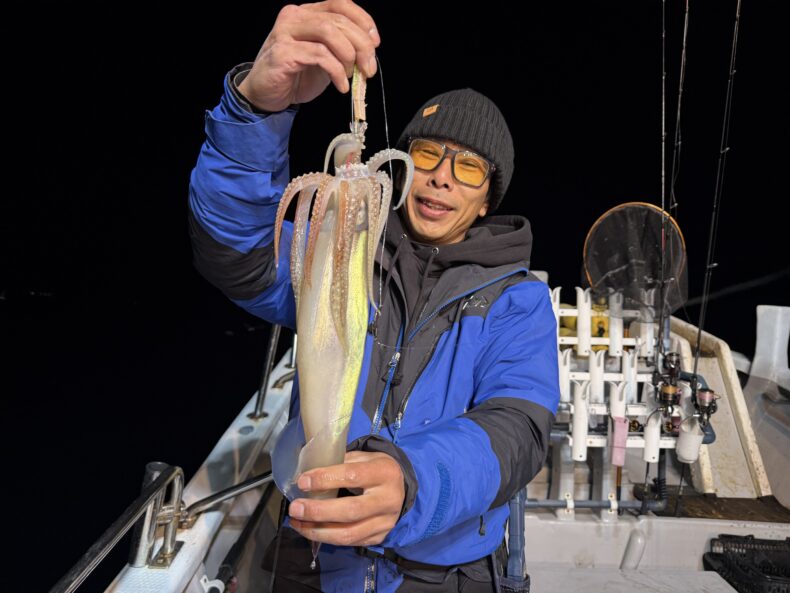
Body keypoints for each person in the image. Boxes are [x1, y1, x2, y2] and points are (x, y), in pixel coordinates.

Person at [187, 2, 560, 591]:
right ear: (405, 166)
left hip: (441, 573)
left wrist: (412, 481)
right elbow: (236, 250)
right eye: (429, 155)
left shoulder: (518, 301)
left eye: (468, 168)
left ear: (488, 199)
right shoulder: (339, 257)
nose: (442, 176)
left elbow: (518, 429)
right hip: (315, 557)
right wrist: (256, 109)